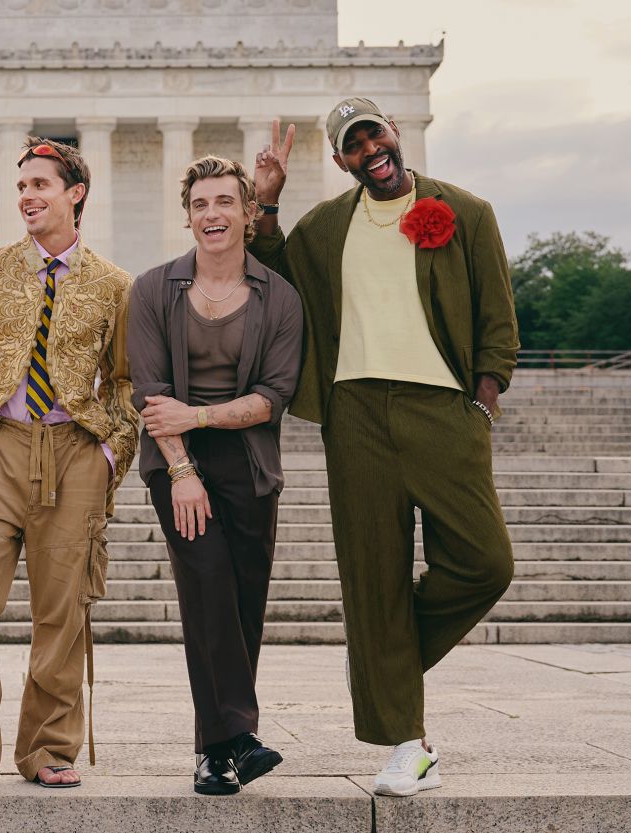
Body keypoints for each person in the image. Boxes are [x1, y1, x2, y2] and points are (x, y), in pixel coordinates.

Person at [248, 99, 518, 796]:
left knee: (486, 562)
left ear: (392, 133)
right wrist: (267, 204)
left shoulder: (467, 211)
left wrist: (481, 406)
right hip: (357, 410)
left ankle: (383, 665)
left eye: (374, 132)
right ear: (340, 161)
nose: (369, 148)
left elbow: (497, 317)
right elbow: (275, 276)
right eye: (353, 144)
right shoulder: (324, 227)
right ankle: (409, 742)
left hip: (443, 408)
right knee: (373, 576)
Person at [0, 137, 138, 794]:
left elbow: (128, 382)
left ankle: (48, 747)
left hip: (74, 449)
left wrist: (107, 454)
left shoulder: (115, 285)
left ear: (75, 192)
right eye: (21, 188)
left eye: (40, 185)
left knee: (63, 607)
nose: (27, 197)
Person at [126, 155, 302, 795]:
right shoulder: (151, 289)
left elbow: (272, 397)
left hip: (251, 461)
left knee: (240, 603)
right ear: (188, 214)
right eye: (200, 205)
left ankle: (215, 751)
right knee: (205, 583)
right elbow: (150, 394)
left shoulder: (279, 297)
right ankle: (241, 737)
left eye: (225, 202)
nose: (212, 215)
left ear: (248, 213)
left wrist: (200, 412)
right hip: (178, 463)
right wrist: (181, 471)